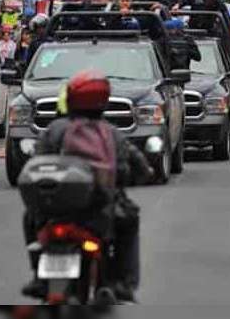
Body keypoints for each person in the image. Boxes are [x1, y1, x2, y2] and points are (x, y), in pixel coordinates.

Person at [21, 70, 153, 302]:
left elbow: (36, 162)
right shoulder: (112, 133)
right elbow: (140, 168)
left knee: (29, 216)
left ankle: (38, 276)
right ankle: (122, 282)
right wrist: (142, 174)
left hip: (52, 214)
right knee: (130, 220)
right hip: (98, 215)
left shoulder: (54, 130)